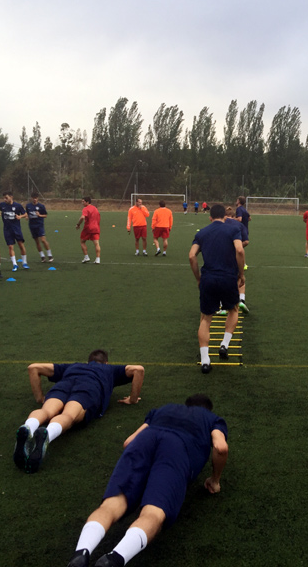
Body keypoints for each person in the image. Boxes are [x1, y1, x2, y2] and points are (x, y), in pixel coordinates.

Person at [65, 394, 228, 567]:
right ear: (208, 409)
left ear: (185, 404)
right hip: (177, 450)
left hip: (144, 440)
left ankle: (81, 552)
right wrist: (214, 479)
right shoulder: (213, 418)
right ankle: (114, 559)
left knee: (111, 505)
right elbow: (221, 447)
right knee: (153, 513)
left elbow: (129, 442)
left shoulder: (164, 409)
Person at [13, 349, 144, 474]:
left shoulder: (73, 366)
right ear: (106, 362)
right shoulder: (109, 369)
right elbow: (138, 369)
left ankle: (29, 427)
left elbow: (33, 367)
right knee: (68, 415)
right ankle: (47, 434)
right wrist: (132, 399)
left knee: (46, 411)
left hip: (64, 384)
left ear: (88, 361)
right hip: (88, 387)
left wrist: (39, 397)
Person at [189, 204, 245, 374]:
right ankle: (224, 344)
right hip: (228, 277)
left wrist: (198, 278)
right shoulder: (232, 230)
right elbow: (240, 250)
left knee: (206, 318)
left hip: (208, 278)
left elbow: (192, 256)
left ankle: (205, 360)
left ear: (210, 217)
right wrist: (241, 274)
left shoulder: (202, 233)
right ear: (225, 217)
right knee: (233, 309)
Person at [0, 191, 29, 271]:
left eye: (6, 198)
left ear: (11, 197)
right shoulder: (2, 205)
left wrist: (20, 216)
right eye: (4, 198)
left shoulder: (18, 206)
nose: (4, 199)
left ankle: (24, 262)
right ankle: (15, 264)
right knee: (10, 246)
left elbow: (25, 214)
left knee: (21, 245)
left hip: (16, 229)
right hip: (7, 229)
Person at [26, 192, 53, 263]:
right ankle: (42, 256)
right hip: (32, 225)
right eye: (33, 198)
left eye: (36, 198)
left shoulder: (41, 206)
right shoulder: (28, 206)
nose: (34, 199)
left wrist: (39, 215)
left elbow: (45, 215)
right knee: (37, 241)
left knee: (43, 240)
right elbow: (27, 214)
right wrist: (26, 216)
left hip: (39, 225)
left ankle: (49, 255)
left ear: (38, 198)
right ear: (31, 198)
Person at [77, 196, 101, 264]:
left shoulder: (85, 209)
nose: (82, 203)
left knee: (82, 241)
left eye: (83, 201)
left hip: (88, 228)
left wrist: (78, 224)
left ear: (87, 202)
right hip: (96, 228)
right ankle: (98, 259)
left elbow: (82, 217)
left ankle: (86, 257)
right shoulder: (95, 208)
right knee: (96, 243)